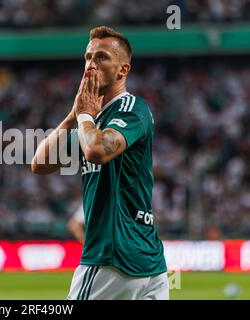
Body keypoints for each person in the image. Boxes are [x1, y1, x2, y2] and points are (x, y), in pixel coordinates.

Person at [31, 26, 168, 300]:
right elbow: (40, 163)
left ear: (123, 70)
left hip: (111, 257)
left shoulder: (131, 108)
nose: (90, 65)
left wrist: (83, 117)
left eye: (101, 57)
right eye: (87, 57)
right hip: (147, 263)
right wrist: (73, 116)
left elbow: (96, 151)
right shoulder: (91, 121)